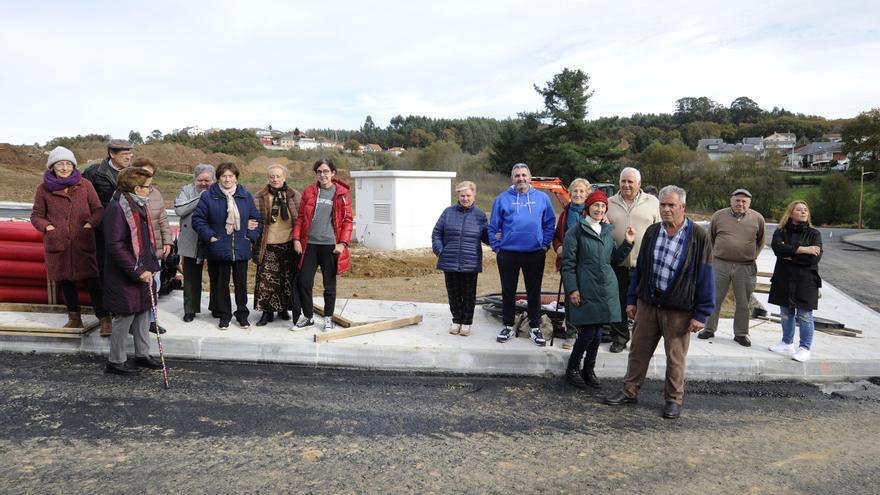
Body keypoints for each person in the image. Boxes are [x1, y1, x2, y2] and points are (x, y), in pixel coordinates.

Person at [604, 186, 715, 419]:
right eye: (662, 205)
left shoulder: (698, 236)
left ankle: (673, 399)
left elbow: (705, 276)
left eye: (671, 205)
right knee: (638, 351)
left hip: (679, 309)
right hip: (648, 304)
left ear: (682, 207)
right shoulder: (654, 231)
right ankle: (629, 391)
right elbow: (640, 269)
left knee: (675, 357)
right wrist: (632, 300)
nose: (665, 209)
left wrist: (701, 313)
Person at [30, 146, 112, 335]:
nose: (65, 168)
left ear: (74, 166)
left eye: (68, 163)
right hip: (58, 243)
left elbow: (99, 210)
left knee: (93, 281)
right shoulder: (43, 189)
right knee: (66, 281)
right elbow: (36, 215)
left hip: (82, 241)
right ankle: (74, 318)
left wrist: (89, 225)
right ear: (53, 167)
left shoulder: (85, 185)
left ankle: (104, 318)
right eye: (60, 164)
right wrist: (48, 228)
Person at [562, 191, 634, 389]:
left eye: (603, 206)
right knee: (587, 334)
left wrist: (627, 243)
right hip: (585, 287)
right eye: (596, 205)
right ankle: (573, 369)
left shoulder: (607, 231)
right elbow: (567, 265)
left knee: (598, 334)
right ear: (588, 207)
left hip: (605, 288)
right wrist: (572, 290)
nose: (599, 209)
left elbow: (615, 259)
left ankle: (588, 369)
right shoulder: (575, 231)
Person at [102, 167, 163, 375]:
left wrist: (152, 266)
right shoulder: (117, 208)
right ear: (136, 187)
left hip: (143, 268)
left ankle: (142, 354)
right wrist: (137, 270)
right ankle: (115, 361)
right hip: (125, 273)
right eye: (148, 186)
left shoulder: (138, 203)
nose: (150, 189)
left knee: (143, 312)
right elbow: (115, 245)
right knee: (125, 316)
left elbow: (145, 241)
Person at [488, 163, 555, 346]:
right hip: (508, 253)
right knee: (508, 291)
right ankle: (508, 325)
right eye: (517, 175)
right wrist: (497, 246)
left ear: (530, 177)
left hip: (534, 253)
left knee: (534, 291)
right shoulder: (502, 199)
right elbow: (493, 226)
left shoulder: (542, 198)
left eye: (524, 175)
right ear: (512, 178)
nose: (521, 178)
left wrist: (544, 245)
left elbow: (549, 223)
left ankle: (534, 326)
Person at [192, 162, 262, 329]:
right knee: (221, 284)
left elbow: (257, 220)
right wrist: (210, 237)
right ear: (219, 178)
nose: (227, 179)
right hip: (218, 247)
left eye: (231, 176)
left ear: (236, 177)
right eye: (224, 176)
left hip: (241, 246)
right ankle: (224, 315)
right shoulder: (209, 196)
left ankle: (242, 315)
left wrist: (249, 237)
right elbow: (198, 219)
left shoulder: (245, 195)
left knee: (241, 284)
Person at [698, 188, 766, 346]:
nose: (740, 204)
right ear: (731, 201)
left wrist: (752, 255)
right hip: (720, 263)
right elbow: (710, 238)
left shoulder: (757, 218)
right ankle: (708, 329)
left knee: (743, 302)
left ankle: (741, 333)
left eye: (744, 201)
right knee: (714, 297)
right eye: (737, 200)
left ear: (749, 203)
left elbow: (761, 241)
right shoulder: (719, 215)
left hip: (745, 266)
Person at [292, 158, 353, 331]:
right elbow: (302, 217)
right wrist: (297, 238)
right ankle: (309, 317)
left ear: (333, 173)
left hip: (330, 246)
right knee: (304, 281)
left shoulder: (341, 193)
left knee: (329, 284)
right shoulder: (310, 191)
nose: (323, 175)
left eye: (326, 171)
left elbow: (348, 219)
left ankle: (328, 318)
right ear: (316, 174)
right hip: (310, 244)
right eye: (319, 172)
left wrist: (342, 243)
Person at [605, 167, 661, 353]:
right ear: (619, 182)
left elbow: (660, 230)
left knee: (643, 305)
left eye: (631, 182)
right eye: (623, 181)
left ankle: (642, 342)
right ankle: (619, 338)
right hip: (617, 263)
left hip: (644, 264)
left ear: (639, 183)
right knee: (618, 302)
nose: (627, 185)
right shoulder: (609, 202)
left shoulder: (652, 202)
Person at [82, 139, 134, 333]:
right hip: (101, 234)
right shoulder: (94, 173)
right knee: (102, 273)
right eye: (124, 154)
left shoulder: (133, 173)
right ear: (112, 154)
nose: (129, 157)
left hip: (127, 233)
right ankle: (105, 317)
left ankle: (125, 315)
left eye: (130, 153)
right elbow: (83, 200)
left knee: (126, 272)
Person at [431, 181, 489, 337]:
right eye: (462, 195)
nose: (465, 198)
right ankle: (456, 320)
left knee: (469, 294)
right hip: (449, 260)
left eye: (468, 195)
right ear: (458, 196)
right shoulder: (448, 212)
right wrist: (440, 250)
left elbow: (486, 237)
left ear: (474, 195)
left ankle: (467, 323)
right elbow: (436, 233)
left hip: (470, 262)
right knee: (453, 293)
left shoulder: (480, 215)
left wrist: (497, 235)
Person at [767, 200, 822, 362]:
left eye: (805, 210)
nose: (804, 212)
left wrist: (790, 254)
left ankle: (804, 348)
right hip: (784, 278)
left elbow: (813, 260)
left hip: (806, 281)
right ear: (791, 213)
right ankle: (786, 342)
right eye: (799, 210)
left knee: (804, 315)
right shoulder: (780, 231)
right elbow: (778, 250)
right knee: (786, 313)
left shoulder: (814, 234)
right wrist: (803, 249)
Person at [253, 164, 302, 327]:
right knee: (267, 282)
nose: (275, 179)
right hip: (268, 244)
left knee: (286, 279)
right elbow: (253, 218)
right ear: (268, 178)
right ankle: (267, 313)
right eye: (272, 176)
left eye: (278, 176)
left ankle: (283, 309)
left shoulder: (294, 195)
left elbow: (301, 218)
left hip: (289, 243)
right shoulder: (260, 196)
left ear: (284, 177)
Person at [132, 158, 173, 334]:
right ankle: (133, 322)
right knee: (135, 288)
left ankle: (150, 321)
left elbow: (163, 219)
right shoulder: (128, 195)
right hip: (135, 250)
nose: (146, 176)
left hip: (154, 249)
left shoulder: (155, 194)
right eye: (142, 172)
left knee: (153, 287)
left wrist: (167, 241)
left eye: (149, 173)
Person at [174, 163, 215, 322]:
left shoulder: (218, 192)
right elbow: (180, 210)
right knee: (191, 277)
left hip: (212, 239)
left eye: (208, 180)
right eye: (200, 180)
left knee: (216, 275)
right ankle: (190, 309)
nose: (204, 184)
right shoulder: (186, 191)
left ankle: (216, 307)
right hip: (191, 239)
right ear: (194, 179)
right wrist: (202, 197)